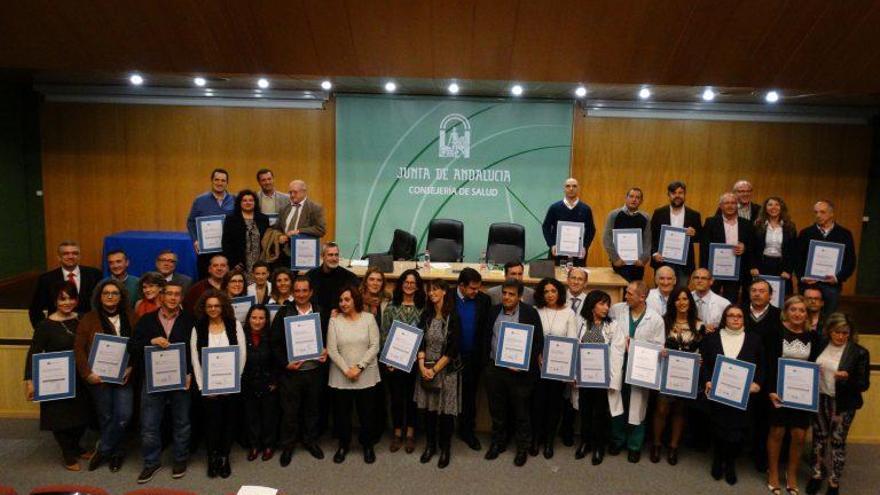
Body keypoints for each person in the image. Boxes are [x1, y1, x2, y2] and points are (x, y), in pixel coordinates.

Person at [130, 280, 194, 484]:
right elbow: (132, 346)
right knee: (149, 424)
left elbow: (196, 350)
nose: (173, 297)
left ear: (181, 298)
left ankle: (180, 459)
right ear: (161, 296)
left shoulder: (190, 320)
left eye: (177, 294)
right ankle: (151, 462)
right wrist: (151, 341)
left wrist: (190, 373)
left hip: (180, 379)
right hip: (152, 380)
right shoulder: (147, 320)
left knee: (182, 422)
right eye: (169, 294)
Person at [24, 281, 92, 471]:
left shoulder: (83, 319)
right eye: (62, 299)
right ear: (54, 301)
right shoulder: (45, 325)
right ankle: (68, 453)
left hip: (80, 376)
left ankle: (77, 447)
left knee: (82, 415)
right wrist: (30, 380)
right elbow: (34, 353)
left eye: (71, 298)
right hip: (56, 378)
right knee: (59, 417)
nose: (67, 302)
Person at [74, 279, 137, 473]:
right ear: (99, 297)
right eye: (106, 293)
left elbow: (138, 346)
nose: (110, 296)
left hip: (123, 377)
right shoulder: (89, 319)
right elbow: (79, 349)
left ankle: (103, 449)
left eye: (114, 293)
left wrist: (132, 368)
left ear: (121, 297)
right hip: (98, 378)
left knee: (124, 416)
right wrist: (88, 374)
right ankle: (116, 452)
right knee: (107, 416)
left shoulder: (132, 317)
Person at [806, 313, 871, 495]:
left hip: (843, 404)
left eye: (845, 333)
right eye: (837, 332)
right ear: (829, 331)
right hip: (820, 399)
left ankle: (834, 482)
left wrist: (848, 378)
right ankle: (816, 475)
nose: (841, 336)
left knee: (837, 442)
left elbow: (864, 384)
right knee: (818, 439)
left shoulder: (859, 352)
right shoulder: (820, 345)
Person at [700, 304, 764, 486]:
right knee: (719, 428)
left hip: (743, 396)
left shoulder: (754, 339)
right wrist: (707, 380)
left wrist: (757, 384)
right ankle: (718, 459)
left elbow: (762, 365)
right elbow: (704, 364)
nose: (735, 319)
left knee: (736, 433)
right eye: (731, 316)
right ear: (724, 319)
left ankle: (730, 463)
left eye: (739, 316)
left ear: (744, 319)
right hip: (717, 394)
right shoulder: (712, 338)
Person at [483, 279, 545, 467]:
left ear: (520, 296)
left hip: (520, 372)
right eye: (504, 293)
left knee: (521, 412)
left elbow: (538, 342)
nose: (507, 297)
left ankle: (522, 448)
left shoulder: (530, 313)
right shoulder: (493, 312)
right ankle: (497, 443)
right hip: (495, 370)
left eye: (511, 294)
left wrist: (524, 361)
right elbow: (485, 338)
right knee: (497, 410)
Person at [766, 295, 821, 495]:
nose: (797, 314)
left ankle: (792, 475)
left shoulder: (813, 337)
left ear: (807, 314)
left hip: (802, 395)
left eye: (802, 310)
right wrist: (770, 390)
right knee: (777, 432)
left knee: (798, 435)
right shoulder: (775, 332)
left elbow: (816, 365)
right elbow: (769, 364)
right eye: (793, 310)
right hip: (778, 392)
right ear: (786, 312)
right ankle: (773, 473)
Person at [271, 276, 328, 466]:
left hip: (315, 371)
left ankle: (310, 441)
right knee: (290, 411)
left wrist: (326, 350)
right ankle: (288, 446)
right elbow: (275, 343)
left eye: (305, 291)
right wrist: (285, 363)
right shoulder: (284, 313)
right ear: (292, 293)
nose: (301, 294)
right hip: (292, 373)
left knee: (313, 409)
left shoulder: (321, 312)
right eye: (297, 291)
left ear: (311, 292)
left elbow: (329, 337)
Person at [189, 291, 246, 479]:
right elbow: (195, 359)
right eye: (209, 306)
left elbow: (242, 354)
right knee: (212, 424)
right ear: (204, 309)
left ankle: (224, 457)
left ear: (223, 307)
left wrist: (233, 382)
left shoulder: (234, 324)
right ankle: (212, 457)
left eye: (217, 306)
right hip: (209, 388)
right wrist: (202, 387)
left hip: (231, 386)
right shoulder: (198, 327)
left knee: (229, 422)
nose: (213, 309)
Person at [608, 280, 665, 463]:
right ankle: (617, 440)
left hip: (640, 370)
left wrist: (637, 345)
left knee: (638, 407)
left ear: (642, 297)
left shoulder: (655, 318)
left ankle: (634, 445)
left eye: (630, 293)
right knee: (616, 403)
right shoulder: (617, 310)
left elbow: (659, 346)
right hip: (618, 365)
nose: (626, 296)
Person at [650, 287, 705, 465]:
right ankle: (657, 444)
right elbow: (654, 345)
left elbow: (703, 349)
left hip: (687, 377)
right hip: (665, 374)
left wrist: (701, 359)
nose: (682, 303)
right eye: (678, 299)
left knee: (680, 411)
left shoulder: (699, 325)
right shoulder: (663, 322)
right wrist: (660, 351)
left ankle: (673, 447)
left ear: (690, 302)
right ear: (672, 302)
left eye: (685, 299)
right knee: (662, 410)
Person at [326, 286, 381, 464]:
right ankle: (344, 445)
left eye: (347, 299)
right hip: (341, 376)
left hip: (366, 375)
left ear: (355, 300)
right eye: (341, 300)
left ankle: (367, 445)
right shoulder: (334, 321)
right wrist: (346, 370)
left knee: (367, 414)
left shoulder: (369, 318)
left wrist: (359, 367)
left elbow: (375, 346)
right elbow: (332, 350)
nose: (343, 303)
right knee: (342, 414)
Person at [572, 290, 625, 465]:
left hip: (603, 380)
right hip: (584, 378)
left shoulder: (613, 325)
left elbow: (617, 355)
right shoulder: (581, 323)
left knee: (600, 414)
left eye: (608, 304)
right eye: (602, 303)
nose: (606, 307)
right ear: (592, 305)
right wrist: (573, 374)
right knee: (585, 412)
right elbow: (574, 349)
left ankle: (598, 447)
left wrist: (613, 380)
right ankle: (585, 442)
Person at [415, 279, 462, 469]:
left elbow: (452, 350)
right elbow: (420, 342)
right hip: (425, 368)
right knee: (429, 412)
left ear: (444, 292)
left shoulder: (453, 317)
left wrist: (434, 370)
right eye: (429, 291)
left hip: (445, 371)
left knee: (445, 415)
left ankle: (445, 449)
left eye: (435, 290)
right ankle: (430, 446)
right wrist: (422, 367)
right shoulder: (425, 315)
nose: (431, 293)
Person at [380, 269, 426, 454]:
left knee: (412, 400)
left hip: (416, 363)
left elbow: (426, 336)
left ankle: (410, 434)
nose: (409, 286)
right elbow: (384, 335)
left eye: (413, 283)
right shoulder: (391, 308)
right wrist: (387, 360)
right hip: (394, 362)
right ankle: (397, 433)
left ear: (418, 286)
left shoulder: (424, 308)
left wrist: (421, 357)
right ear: (401, 284)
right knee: (397, 399)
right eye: (406, 282)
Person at [531, 278, 577, 459]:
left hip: (559, 368)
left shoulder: (569, 314)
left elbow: (573, 341)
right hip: (538, 366)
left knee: (554, 405)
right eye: (546, 292)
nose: (550, 295)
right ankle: (536, 439)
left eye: (553, 291)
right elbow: (532, 338)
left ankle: (549, 441)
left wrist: (571, 370)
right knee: (537, 405)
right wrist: (537, 355)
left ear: (559, 293)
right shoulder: (536, 311)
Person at [744, 278, 784, 472]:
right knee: (742, 414)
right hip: (742, 372)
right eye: (754, 290)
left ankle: (760, 456)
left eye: (762, 291)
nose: (757, 294)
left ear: (771, 295)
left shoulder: (779, 316)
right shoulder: (739, 313)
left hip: (768, 372)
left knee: (763, 417)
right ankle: (740, 452)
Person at [452, 267, 492, 451]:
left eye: (478, 288)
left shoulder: (484, 300)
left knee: (469, 397)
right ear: (461, 285)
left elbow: (486, 332)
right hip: (449, 357)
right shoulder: (447, 297)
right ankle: (444, 430)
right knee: (446, 394)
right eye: (472, 289)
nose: (476, 292)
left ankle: (467, 430)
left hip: (473, 358)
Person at [796, 200, 857, 316]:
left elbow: (851, 261)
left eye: (822, 212)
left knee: (828, 319)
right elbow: (797, 259)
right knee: (805, 318)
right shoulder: (806, 233)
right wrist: (802, 277)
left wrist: (837, 278)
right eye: (816, 212)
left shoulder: (844, 234)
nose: (818, 215)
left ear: (831, 213)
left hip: (831, 286)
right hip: (808, 284)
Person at [29, 240, 102, 329]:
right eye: (66, 253)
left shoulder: (95, 275)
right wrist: (43, 329)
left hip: (88, 329)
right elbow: (35, 310)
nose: (71, 256)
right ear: (59, 257)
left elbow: (100, 304)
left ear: (79, 256)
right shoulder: (46, 279)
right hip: (58, 330)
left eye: (75, 253)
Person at [240, 305, 279, 463]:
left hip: (268, 382)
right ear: (248, 319)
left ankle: (269, 445)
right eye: (254, 317)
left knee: (269, 417)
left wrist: (275, 380)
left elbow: (277, 360)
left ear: (266, 320)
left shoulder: (272, 336)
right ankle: (254, 446)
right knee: (252, 417)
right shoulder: (241, 337)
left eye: (261, 318)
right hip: (248, 383)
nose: (257, 321)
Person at [701, 192, 754, 303]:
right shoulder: (711, 222)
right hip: (714, 271)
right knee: (710, 300)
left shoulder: (747, 224)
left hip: (735, 271)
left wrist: (745, 248)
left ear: (737, 205)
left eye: (733, 203)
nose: (730, 206)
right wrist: (705, 271)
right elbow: (704, 248)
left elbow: (753, 247)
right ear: (720, 206)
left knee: (731, 301)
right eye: (726, 203)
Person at [650, 181, 702, 287]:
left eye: (680, 193)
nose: (677, 196)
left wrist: (694, 233)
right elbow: (651, 236)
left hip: (685, 264)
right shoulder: (659, 213)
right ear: (669, 195)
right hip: (662, 261)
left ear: (684, 194)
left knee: (681, 294)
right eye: (674, 193)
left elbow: (700, 237)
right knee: (662, 293)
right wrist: (654, 253)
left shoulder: (694, 215)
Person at [186, 168, 234, 280]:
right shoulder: (200, 200)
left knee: (226, 280)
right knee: (205, 279)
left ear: (227, 183)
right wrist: (195, 240)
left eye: (223, 180)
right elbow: (191, 221)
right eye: (217, 180)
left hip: (227, 249)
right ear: (212, 181)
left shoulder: (234, 200)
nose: (219, 183)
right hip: (206, 249)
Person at [541, 177, 596, 267]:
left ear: (578, 189)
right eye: (568, 186)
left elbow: (591, 230)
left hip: (578, 255)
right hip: (557, 253)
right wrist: (552, 244)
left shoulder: (586, 209)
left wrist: (585, 246)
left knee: (577, 279)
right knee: (556, 279)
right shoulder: (554, 207)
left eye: (574, 186)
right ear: (564, 189)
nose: (571, 189)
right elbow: (545, 227)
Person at [274, 180, 328, 268]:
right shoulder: (284, 209)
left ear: (304, 192)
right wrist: (279, 236)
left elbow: (321, 230)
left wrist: (299, 231)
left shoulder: (315, 208)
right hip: (284, 255)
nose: (292, 195)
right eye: (290, 192)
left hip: (304, 255)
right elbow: (276, 228)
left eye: (295, 192)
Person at [602, 187, 652, 282]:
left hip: (638, 265)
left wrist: (643, 260)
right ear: (626, 198)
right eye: (631, 196)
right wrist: (615, 259)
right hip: (619, 264)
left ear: (641, 201)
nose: (634, 199)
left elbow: (647, 240)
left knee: (635, 292)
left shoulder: (645, 217)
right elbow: (607, 238)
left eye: (637, 197)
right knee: (621, 292)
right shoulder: (614, 215)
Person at [750, 196, 797, 295]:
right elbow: (752, 248)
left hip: (781, 266)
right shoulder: (757, 225)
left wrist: (788, 270)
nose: (773, 207)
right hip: (761, 265)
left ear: (781, 207)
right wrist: (753, 266)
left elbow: (793, 251)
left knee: (782, 295)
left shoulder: (790, 227)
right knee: (761, 293)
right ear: (765, 208)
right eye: (770, 205)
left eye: (777, 205)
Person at [221, 189, 270, 275]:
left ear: (255, 202)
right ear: (239, 203)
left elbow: (268, 241)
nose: (248, 203)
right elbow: (226, 244)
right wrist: (234, 263)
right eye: (244, 200)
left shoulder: (263, 219)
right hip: (239, 266)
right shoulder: (231, 220)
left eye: (251, 200)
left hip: (260, 265)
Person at [307, 242, 358, 322]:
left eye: (336, 255)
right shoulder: (311, 276)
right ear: (322, 256)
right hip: (317, 319)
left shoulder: (349, 277)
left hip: (341, 318)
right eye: (330, 255)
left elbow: (355, 301)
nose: (334, 258)